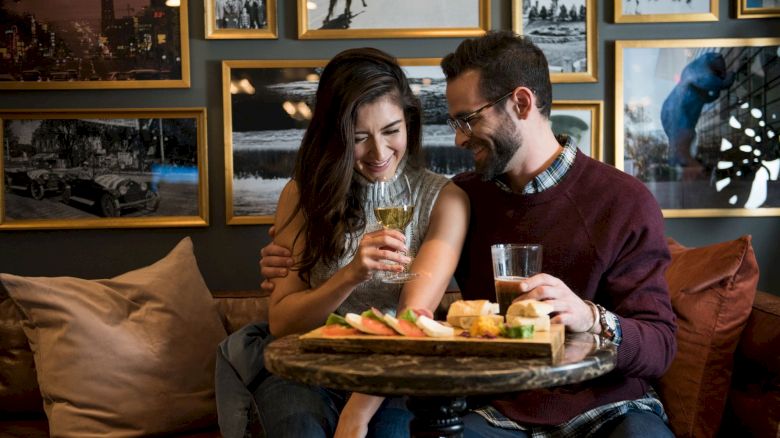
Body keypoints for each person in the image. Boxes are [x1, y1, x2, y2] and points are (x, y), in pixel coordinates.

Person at [260, 31, 677, 437]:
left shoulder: (624, 200)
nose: (459, 138)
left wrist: (590, 317)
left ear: (521, 103)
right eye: (454, 122)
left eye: (469, 119)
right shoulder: (466, 196)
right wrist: (295, 261)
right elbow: (402, 304)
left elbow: (660, 344)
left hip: (608, 409)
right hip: (497, 414)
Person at [217, 47, 469, 438]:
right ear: (335, 137)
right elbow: (283, 322)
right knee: (298, 427)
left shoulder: (444, 200)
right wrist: (350, 274)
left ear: (409, 121)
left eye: (391, 131)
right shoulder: (302, 195)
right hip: (309, 368)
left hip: (397, 372)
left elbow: (412, 318)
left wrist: (356, 413)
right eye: (359, 138)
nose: (379, 152)